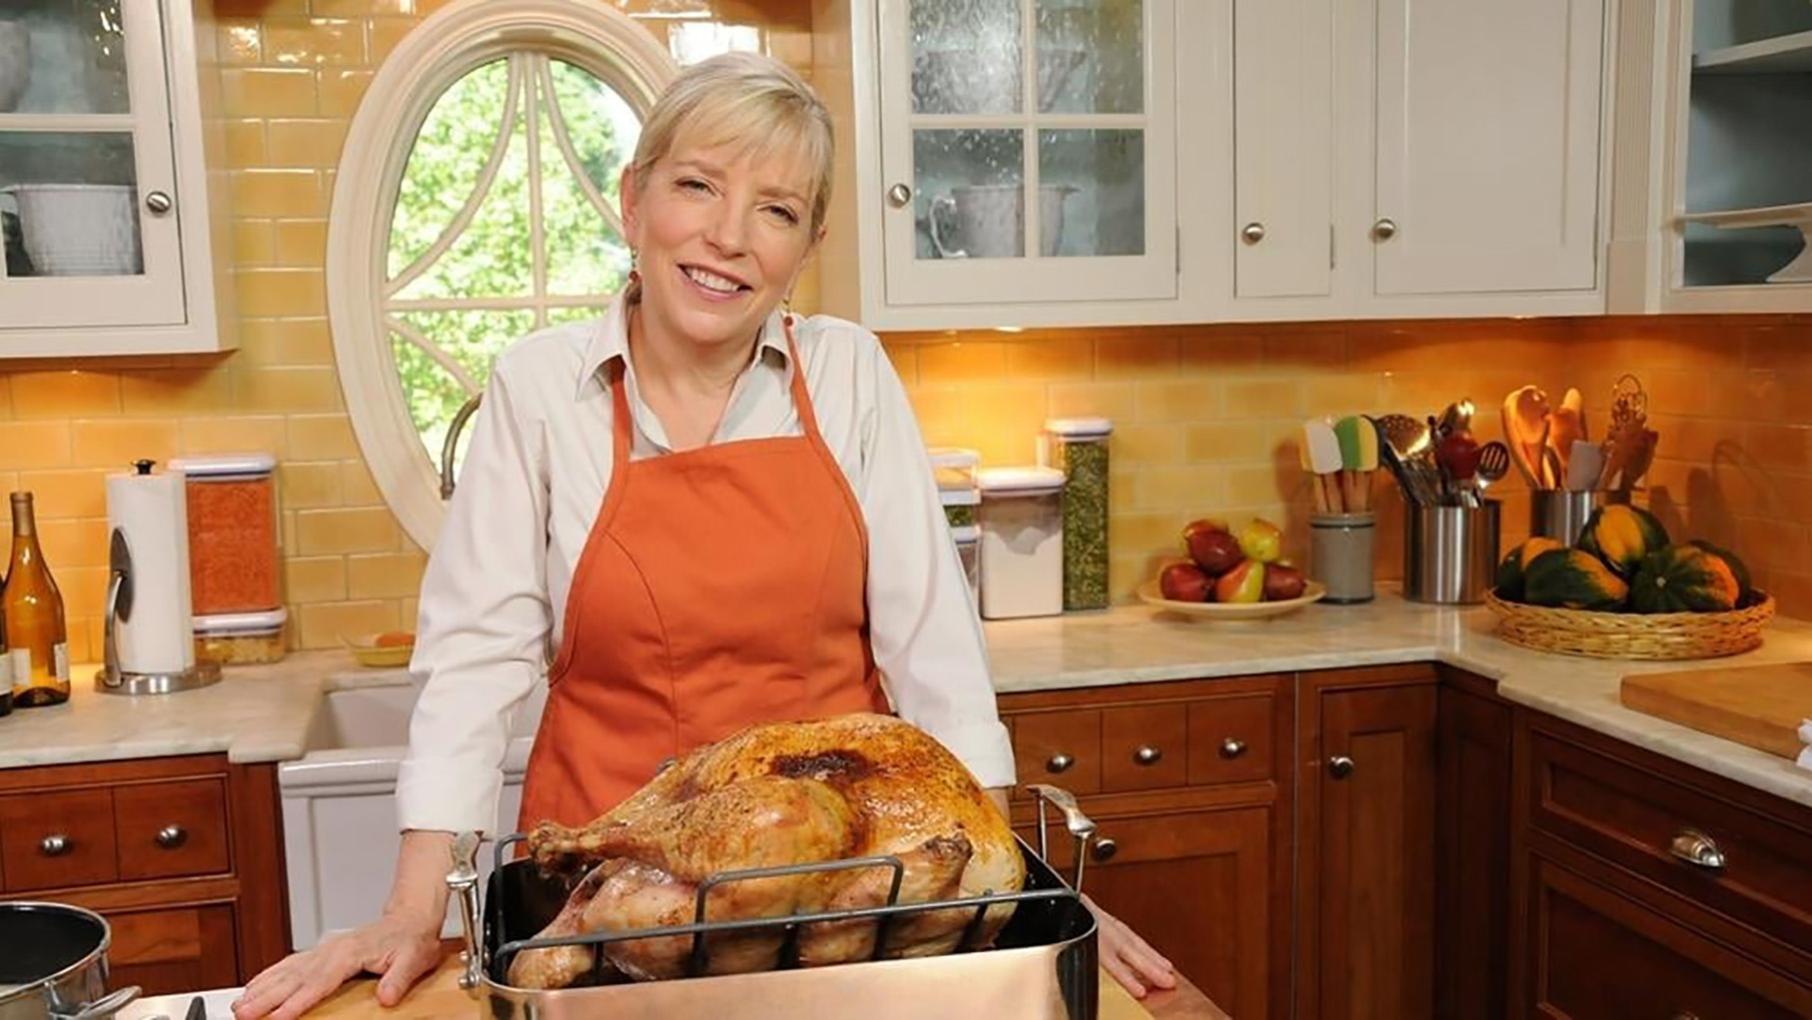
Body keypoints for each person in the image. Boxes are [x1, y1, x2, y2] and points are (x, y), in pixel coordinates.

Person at [233, 51, 1175, 1020]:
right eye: (698, 186)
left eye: (775, 210)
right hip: (611, 913)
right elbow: (474, 666)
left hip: (838, 911)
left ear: (805, 245)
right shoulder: (539, 389)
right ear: (634, 200)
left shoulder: (848, 376)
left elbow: (937, 661)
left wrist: (1014, 896)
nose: (728, 237)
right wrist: (408, 911)